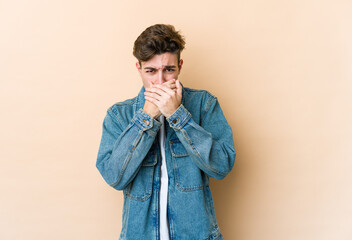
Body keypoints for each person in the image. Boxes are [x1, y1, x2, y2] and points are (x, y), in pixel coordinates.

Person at [96, 24, 236, 240]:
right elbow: (115, 177)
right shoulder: (119, 115)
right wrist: (145, 118)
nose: (160, 82)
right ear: (139, 68)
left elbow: (222, 166)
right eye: (151, 71)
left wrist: (178, 116)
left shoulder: (204, 104)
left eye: (168, 70)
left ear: (179, 66)